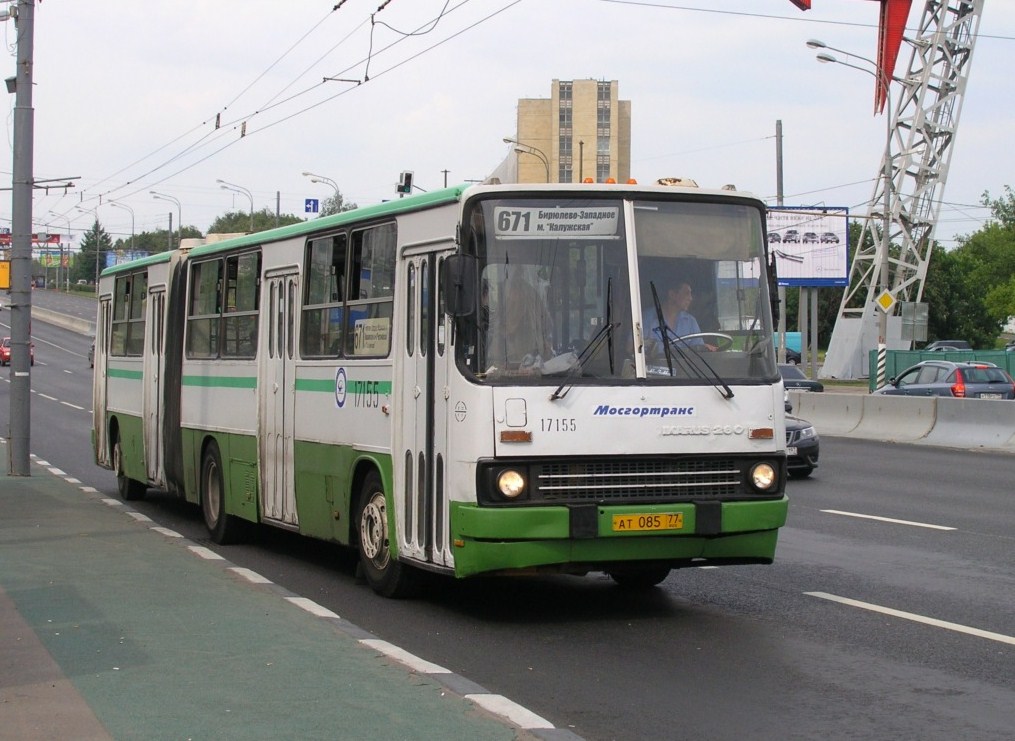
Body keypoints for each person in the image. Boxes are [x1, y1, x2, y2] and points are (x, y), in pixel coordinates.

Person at [642, 281, 717, 352]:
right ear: (672, 295)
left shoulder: (690, 321)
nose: (690, 298)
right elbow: (634, 348)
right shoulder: (647, 318)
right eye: (686, 293)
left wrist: (703, 347)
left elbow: (698, 350)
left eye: (691, 294)